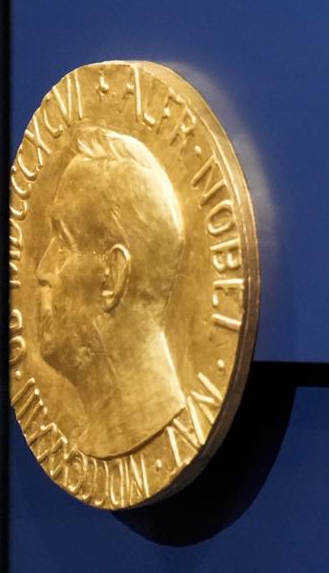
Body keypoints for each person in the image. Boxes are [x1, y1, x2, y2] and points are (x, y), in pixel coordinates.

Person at [34, 126, 188, 458]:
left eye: (63, 243)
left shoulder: (152, 423)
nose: (42, 271)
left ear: (112, 278)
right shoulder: (88, 438)